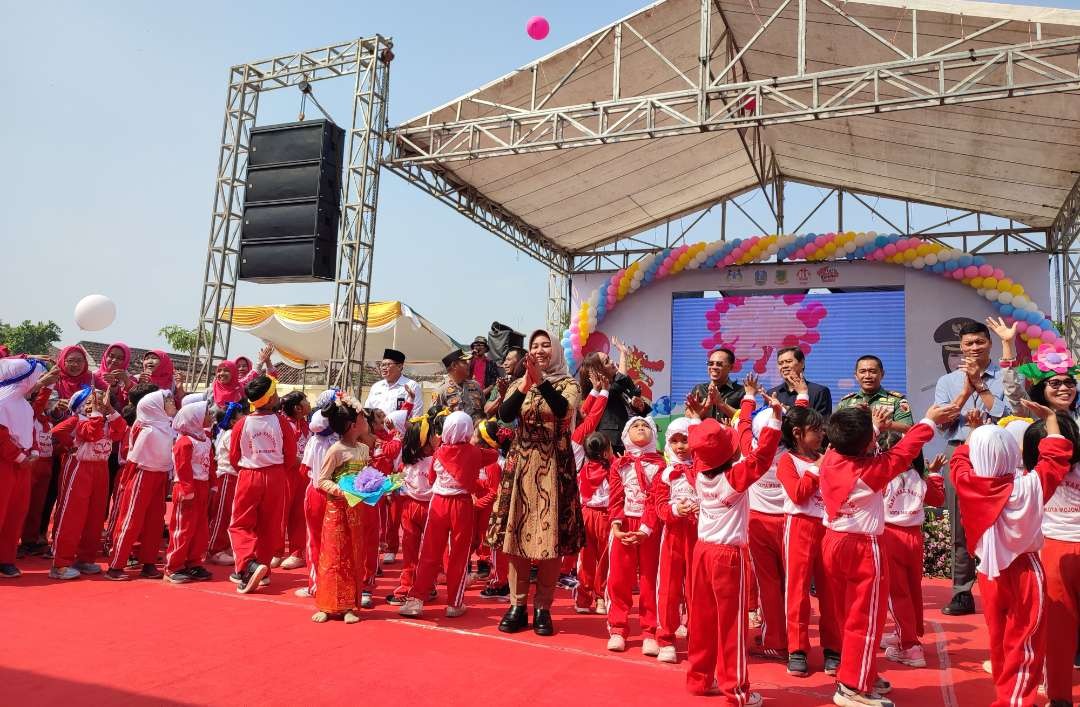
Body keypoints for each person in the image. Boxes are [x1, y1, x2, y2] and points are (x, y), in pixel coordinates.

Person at [818, 401, 954, 707]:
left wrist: (875, 426)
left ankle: (860, 672)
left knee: (849, 616)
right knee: (866, 619)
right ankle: (853, 686)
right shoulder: (871, 474)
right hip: (863, 546)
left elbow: (867, 446)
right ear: (865, 444)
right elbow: (904, 452)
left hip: (834, 541)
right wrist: (929, 420)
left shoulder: (830, 458)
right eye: (873, 438)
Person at [950, 407, 1073, 707]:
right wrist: (1052, 418)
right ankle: (1015, 701)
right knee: (1026, 641)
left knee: (1000, 638)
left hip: (988, 573)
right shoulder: (1028, 486)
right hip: (1024, 570)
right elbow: (1056, 455)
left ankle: (1007, 694)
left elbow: (959, 460)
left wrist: (972, 434)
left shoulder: (966, 483)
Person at [682, 385, 782, 701]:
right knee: (732, 626)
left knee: (702, 621)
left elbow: (703, 447)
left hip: (701, 552)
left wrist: (699, 420)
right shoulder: (736, 476)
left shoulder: (699, 471)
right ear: (730, 451)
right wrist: (775, 421)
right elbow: (763, 455)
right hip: (727, 557)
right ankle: (736, 690)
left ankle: (699, 680)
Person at [488, 330, 585, 637]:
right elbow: (504, 414)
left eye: (546, 345)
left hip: (553, 466)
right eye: (535, 346)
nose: (540, 350)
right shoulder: (521, 382)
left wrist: (541, 382)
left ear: (555, 351)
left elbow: (562, 411)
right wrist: (525, 385)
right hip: (521, 465)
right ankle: (517, 606)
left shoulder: (569, 384)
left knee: (550, 539)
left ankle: (543, 607)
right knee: (515, 535)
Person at [933, 320, 1011, 616]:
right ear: (960, 348)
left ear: (989, 343)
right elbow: (943, 422)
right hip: (960, 452)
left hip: (998, 456)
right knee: (960, 526)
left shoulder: (1005, 376)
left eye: (979, 342)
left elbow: (1009, 415)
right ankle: (962, 593)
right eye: (968, 344)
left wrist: (981, 384)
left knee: (1000, 524)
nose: (974, 348)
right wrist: (966, 390)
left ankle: (1002, 591)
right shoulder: (948, 381)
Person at [399, 411, 499, 618]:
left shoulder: (439, 452)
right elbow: (494, 456)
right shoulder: (475, 453)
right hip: (462, 505)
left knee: (429, 552)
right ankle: (454, 603)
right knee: (459, 557)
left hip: (438, 503)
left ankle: (416, 599)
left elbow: (432, 477)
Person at [775, 406, 839, 678]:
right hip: (799, 526)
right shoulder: (787, 461)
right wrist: (818, 468)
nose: (823, 434)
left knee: (832, 591)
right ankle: (797, 649)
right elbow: (799, 494)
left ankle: (834, 649)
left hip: (828, 527)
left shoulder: (827, 458)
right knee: (797, 590)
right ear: (798, 434)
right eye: (817, 430)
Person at [228, 375, 298, 594]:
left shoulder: (241, 424)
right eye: (274, 393)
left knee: (240, 524)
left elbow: (233, 456)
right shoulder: (282, 422)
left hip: (249, 475)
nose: (278, 396)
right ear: (268, 400)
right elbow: (290, 454)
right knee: (269, 526)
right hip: (276, 476)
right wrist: (278, 469)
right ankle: (263, 570)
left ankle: (248, 564)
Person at [49, 388, 126, 580]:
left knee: (96, 515)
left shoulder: (107, 420)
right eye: (93, 400)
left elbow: (120, 432)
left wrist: (110, 411)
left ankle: (85, 558)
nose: (99, 402)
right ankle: (60, 563)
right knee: (73, 515)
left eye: (101, 399)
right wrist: (70, 445)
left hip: (100, 469)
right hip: (79, 467)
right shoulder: (80, 420)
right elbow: (62, 431)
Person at [605, 416, 665, 655]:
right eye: (635, 426)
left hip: (651, 527)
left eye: (645, 426)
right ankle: (618, 628)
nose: (640, 428)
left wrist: (645, 529)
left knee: (650, 580)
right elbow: (615, 497)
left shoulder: (661, 465)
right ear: (625, 435)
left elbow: (657, 499)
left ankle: (650, 631)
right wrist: (617, 526)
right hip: (625, 524)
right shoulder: (619, 465)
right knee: (619, 578)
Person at [881, 451, 946, 668]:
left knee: (897, 593)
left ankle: (910, 646)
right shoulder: (919, 476)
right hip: (914, 537)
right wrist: (934, 474)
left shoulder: (883, 474)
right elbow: (938, 499)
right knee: (912, 590)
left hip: (890, 536)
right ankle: (907, 632)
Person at [106, 389, 177, 581]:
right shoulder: (146, 428)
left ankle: (148, 562)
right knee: (131, 520)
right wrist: (125, 482)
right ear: (156, 406)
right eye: (168, 401)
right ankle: (116, 564)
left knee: (155, 521)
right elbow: (133, 458)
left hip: (159, 476)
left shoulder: (166, 426)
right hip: (142, 475)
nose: (173, 403)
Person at [312, 396, 369, 625]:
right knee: (333, 556)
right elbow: (321, 481)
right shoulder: (335, 450)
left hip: (356, 509)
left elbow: (366, 477)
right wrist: (342, 492)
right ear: (353, 425)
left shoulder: (364, 449)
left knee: (354, 555)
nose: (365, 421)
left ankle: (348, 605)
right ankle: (327, 605)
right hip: (336, 509)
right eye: (362, 418)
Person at [652, 416, 699, 664]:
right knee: (668, 588)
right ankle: (666, 639)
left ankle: (696, 638)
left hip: (698, 536)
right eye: (675, 441)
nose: (681, 446)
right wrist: (673, 511)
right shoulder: (664, 473)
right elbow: (659, 505)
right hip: (672, 536)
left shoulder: (703, 469)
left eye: (685, 440)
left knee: (697, 588)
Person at [0, 358, 50, 578]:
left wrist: (35, 452)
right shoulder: (2, 403)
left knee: (16, 513)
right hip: (5, 465)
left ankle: (6, 559)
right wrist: (20, 456)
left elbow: (31, 432)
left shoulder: (24, 405)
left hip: (22, 467)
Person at [571, 376, 612, 615]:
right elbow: (591, 417)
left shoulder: (578, 441)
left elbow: (585, 412)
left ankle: (591, 598)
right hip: (592, 513)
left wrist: (596, 390)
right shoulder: (576, 440)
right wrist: (604, 390)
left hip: (592, 513)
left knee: (590, 557)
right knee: (595, 557)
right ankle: (594, 597)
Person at [387, 414, 437, 606]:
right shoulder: (408, 462)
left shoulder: (435, 459)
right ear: (424, 441)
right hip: (410, 507)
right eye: (433, 434)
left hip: (429, 509)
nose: (436, 437)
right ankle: (407, 587)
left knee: (426, 551)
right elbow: (399, 480)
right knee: (410, 551)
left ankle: (425, 587)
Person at [164, 400, 214, 584]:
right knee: (182, 528)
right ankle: (173, 566)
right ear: (195, 419)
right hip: (187, 487)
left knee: (200, 528)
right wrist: (187, 489)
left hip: (201, 486)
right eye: (206, 414)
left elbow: (210, 464)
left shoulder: (205, 439)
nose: (210, 417)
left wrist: (212, 484)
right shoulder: (184, 441)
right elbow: (182, 467)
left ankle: (193, 562)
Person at [297, 391, 339, 599]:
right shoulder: (344, 441)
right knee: (337, 541)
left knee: (315, 540)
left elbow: (303, 469)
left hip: (316, 492)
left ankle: (316, 584)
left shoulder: (314, 441)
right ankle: (337, 584)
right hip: (339, 494)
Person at [580, 337, 651, 454]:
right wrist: (623, 353)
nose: (612, 362)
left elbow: (639, 409)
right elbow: (621, 378)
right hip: (613, 444)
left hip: (632, 442)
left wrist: (639, 406)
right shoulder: (601, 392)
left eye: (609, 358)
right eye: (607, 362)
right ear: (599, 371)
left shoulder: (619, 384)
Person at [836, 355, 913, 445]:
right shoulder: (846, 402)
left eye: (872, 371)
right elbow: (836, 431)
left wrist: (885, 423)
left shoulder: (897, 400)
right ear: (856, 376)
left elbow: (909, 429)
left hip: (887, 454)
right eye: (862, 371)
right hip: (855, 456)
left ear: (882, 374)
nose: (867, 376)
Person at [275, 390, 310, 571]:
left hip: (303, 474)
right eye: (306, 400)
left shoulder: (308, 424)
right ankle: (276, 551)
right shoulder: (283, 425)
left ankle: (297, 552)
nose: (308, 403)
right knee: (280, 512)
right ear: (297, 408)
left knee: (299, 513)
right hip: (286, 473)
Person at [207, 403, 243, 567]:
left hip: (235, 476)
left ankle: (225, 545)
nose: (244, 417)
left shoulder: (235, 432)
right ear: (232, 421)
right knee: (221, 514)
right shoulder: (230, 435)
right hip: (227, 476)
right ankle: (215, 549)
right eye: (240, 415)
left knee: (231, 514)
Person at [766, 347, 832, 417]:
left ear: (802, 363)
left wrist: (788, 412)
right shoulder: (772, 393)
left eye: (789, 361)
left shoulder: (819, 392)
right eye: (780, 363)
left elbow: (822, 423)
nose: (784, 366)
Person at [688, 348, 745, 421]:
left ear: (731, 367)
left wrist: (721, 403)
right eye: (710, 364)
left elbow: (745, 418)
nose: (713, 367)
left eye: (719, 364)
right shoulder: (699, 389)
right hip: (704, 432)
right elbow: (688, 417)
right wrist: (707, 405)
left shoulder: (741, 391)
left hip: (729, 432)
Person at [364, 348, 422, 418]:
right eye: (382, 365)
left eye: (388, 365)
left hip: (401, 428)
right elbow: (367, 411)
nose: (383, 368)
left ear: (399, 367)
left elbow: (416, 415)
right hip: (377, 428)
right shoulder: (376, 387)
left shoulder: (411, 386)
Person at [436, 349, 486, 420]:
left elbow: (484, 411)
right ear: (454, 365)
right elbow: (434, 417)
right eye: (464, 362)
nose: (468, 364)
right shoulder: (441, 390)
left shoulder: (476, 386)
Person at [484, 344, 526, 418]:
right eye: (505, 360)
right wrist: (501, 396)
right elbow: (487, 411)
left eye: (509, 360)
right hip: (501, 428)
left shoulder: (529, 385)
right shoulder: (502, 384)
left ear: (521, 362)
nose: (504, 364)